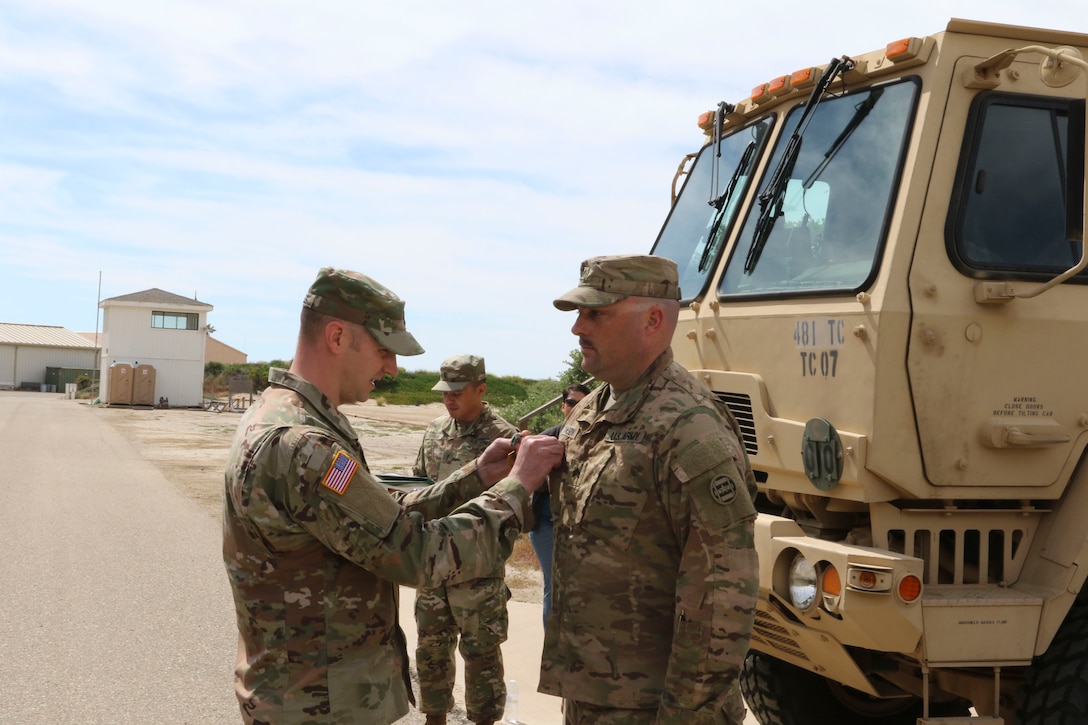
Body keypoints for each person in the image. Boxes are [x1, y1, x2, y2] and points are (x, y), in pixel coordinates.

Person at [222, 267, 563, 725]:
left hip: (307, 695)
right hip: (319, 704)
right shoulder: (305, 446)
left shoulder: (288, 420)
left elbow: (382, 517)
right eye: (385, 351)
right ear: (338, 336)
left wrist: (476, 476)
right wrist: (517, 486)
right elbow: (418, 554)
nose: (392, 369)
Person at [538, 254, 759, 725]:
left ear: (653, 320)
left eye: (596, 313)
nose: (578, 328)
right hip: (593, 693)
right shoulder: (590, 412)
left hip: (655, 707)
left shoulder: (691, 429)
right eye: (579, 313)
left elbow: (722, 598)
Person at [411, 354, 518, 725]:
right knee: (431, 649)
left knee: (482, 653)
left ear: (481, 389)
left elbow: (517, 503)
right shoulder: (435, 431)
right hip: (433, 563)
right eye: (445, 391)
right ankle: (434, 718)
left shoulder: (504, 438)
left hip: (478, 567)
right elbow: (421, 488)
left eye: (457, 391)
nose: (449, 398)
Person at [532, 382, 591, 628]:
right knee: (554, 585)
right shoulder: (547, 438)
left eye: (583, 404)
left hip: (579, 526)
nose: (576, 408)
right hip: (546, 524)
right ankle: (552, 647)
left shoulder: (592, 441)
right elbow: (527, 479)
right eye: (571, 403)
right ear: (562, 407)